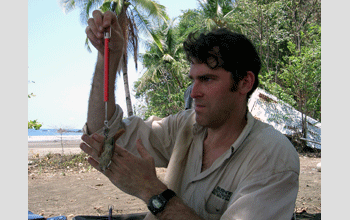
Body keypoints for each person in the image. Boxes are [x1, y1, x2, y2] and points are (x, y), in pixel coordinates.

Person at [80, 10, 300, 220]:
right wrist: (108, 57)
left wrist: (151, 190)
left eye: (207, 79)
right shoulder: (185, 126)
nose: (193, 93)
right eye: (193, 80)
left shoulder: (273, 157)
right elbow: (103, 131)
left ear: (245, 83)